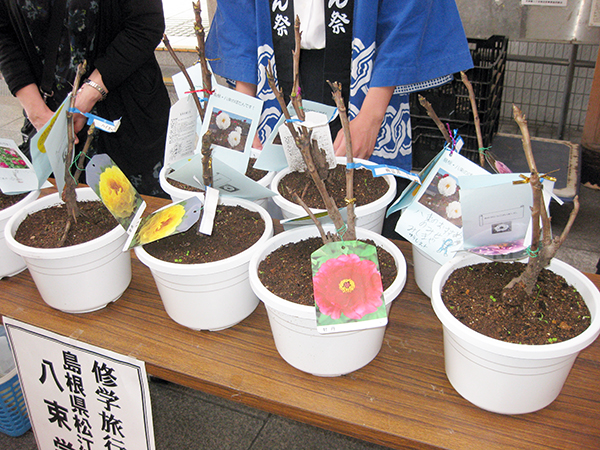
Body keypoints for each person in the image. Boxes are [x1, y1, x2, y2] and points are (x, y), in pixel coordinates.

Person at [205, 0, 474, 172]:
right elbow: (238, 14)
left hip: (367, 79)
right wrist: (244, 110)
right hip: (273, 71)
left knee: (360, 188)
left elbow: (408, 8)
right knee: (277, 182)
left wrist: (372, 115)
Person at [0, 0, 170, 197]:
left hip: (125, 114)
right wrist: (37, 113)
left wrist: (87, 96)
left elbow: (146, 24)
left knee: (134, 207)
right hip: (47, 112)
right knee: (53, 204)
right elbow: (4, 33)